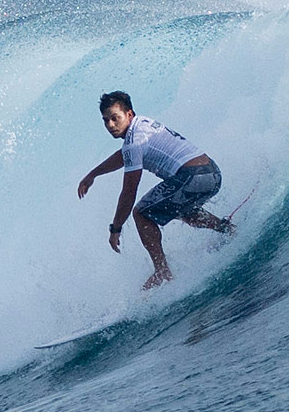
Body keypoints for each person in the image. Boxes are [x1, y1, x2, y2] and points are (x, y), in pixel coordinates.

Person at [77, 90, 233, 289]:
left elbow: (129, 191)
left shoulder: (133, 143)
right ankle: (227, 229)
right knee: (181, 210)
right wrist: (94, 174)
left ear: (129, 115)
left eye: (115, 118)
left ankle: (162, 271)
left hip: (192, 176)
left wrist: (115, 228)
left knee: (142, 213)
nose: (110, 125)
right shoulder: (142, 125)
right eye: (105, 120)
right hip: (211, 173)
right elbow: (123, 154)